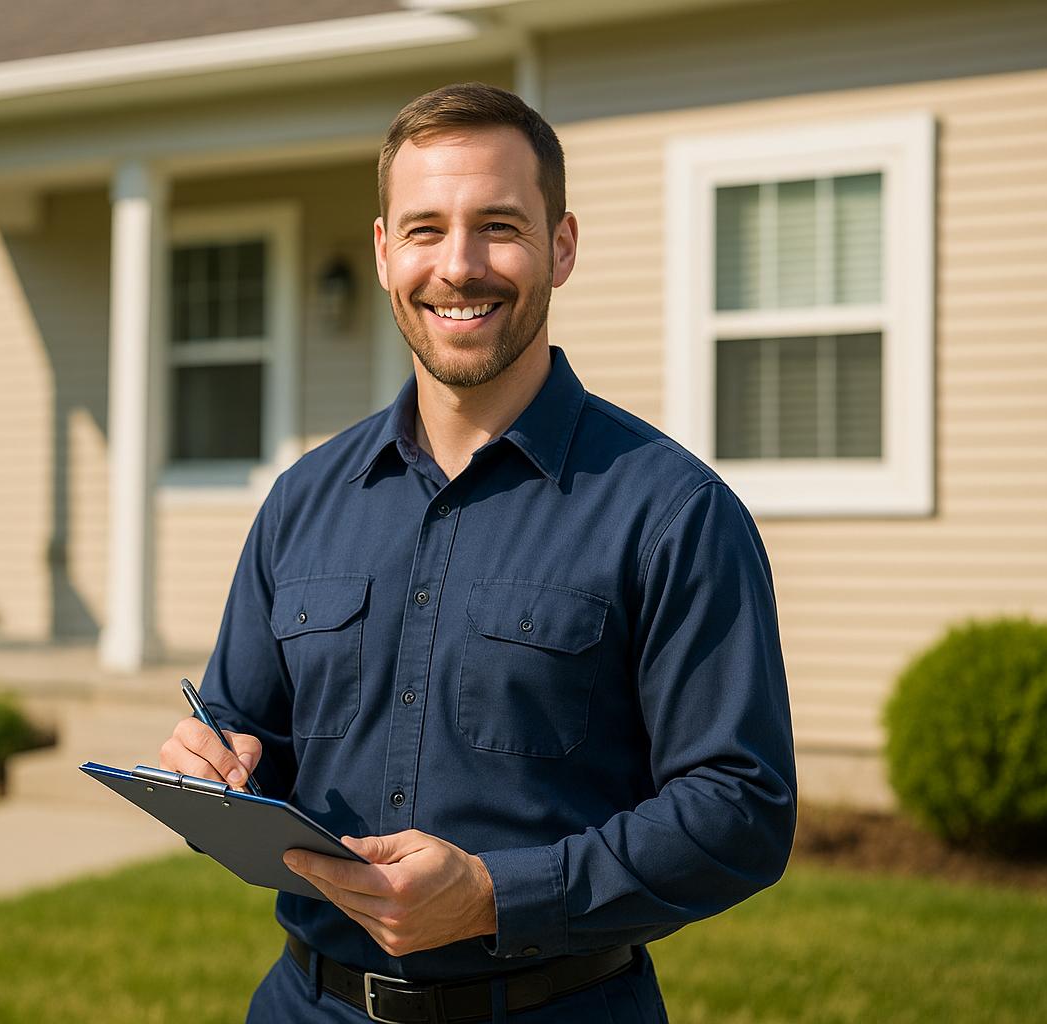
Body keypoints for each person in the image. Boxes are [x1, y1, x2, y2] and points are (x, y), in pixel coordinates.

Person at [159, 81, 796, 1023]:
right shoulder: (302, 501)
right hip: (307, 1003)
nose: (458, 266)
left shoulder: (673, 513)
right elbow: (248, 736)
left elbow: (741, 808)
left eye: (499, 225)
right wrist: (213, 775)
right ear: (384, 253)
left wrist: (501, 895)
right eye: (424, 229)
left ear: (561, 247)